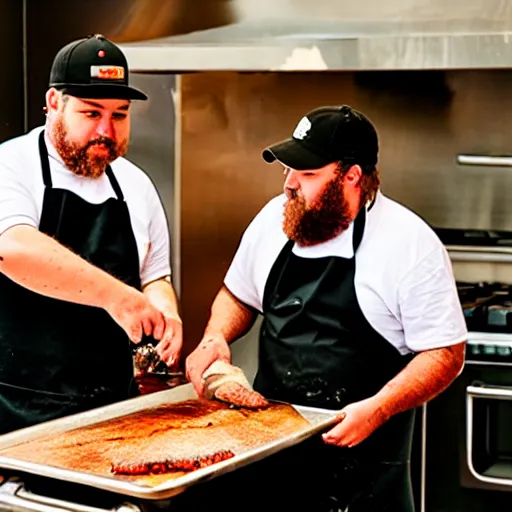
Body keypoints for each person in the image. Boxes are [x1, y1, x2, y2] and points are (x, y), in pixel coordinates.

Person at [185, 105, 467, 511]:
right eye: (287, 169)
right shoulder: (273, 221)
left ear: (351, 176)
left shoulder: (409, 245)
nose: (289, 185)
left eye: (308, 174)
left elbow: (446, 353)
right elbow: (237, 295)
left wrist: (379, 407)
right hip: (271, 460)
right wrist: (216, 336)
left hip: (362, 472)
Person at [0, 34, 182, 435]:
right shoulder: (11, 165)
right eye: (91, 113)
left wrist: (165, 312)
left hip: (110, 409)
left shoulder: (136, 185)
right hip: (15, 408)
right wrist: (117, 298)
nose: (106, 130)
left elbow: (155, 276)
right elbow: (12, 248)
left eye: (119, 115)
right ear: (53, 103)